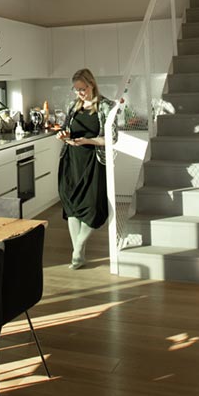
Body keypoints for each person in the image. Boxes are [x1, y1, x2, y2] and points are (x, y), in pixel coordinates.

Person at [57, 68, 118, 269]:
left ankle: (78, 248)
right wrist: (63, 135)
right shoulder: (73, 106)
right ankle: (79, 256)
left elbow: (112, 138)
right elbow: (66, 128)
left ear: (91, 84)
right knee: (72, 208)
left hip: (93, 162)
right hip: (71, 161)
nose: (79, 93)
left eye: (82, 89)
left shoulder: (106, 106)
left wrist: (88, 141)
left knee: (92, 208)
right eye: (76, 90)